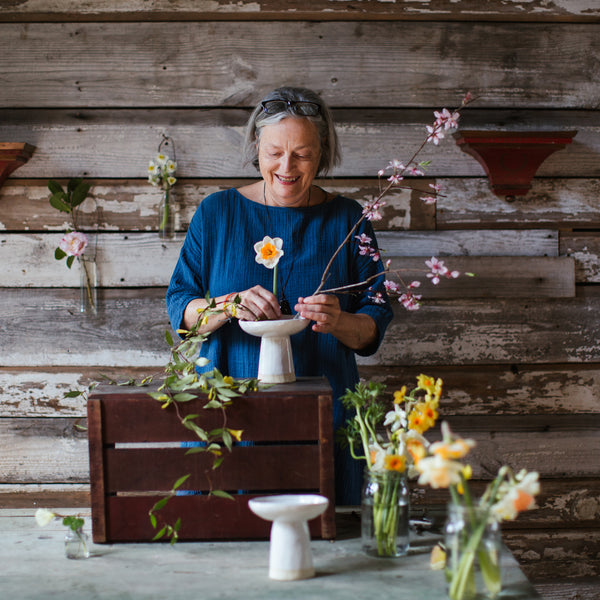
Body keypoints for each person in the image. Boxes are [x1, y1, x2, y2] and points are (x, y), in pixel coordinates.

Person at [166, 86, 393, 504]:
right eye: (274, 152)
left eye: (302, 154)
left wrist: (340, 320)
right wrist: (226, 305)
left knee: (328, 544)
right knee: (225, 536)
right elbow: (180, 307)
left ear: (322, 153)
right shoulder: (217, 213)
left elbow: (373, 324)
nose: (286, 166)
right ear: (257, 147)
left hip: (324, 417)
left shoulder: (347, 218)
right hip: (229, 415)